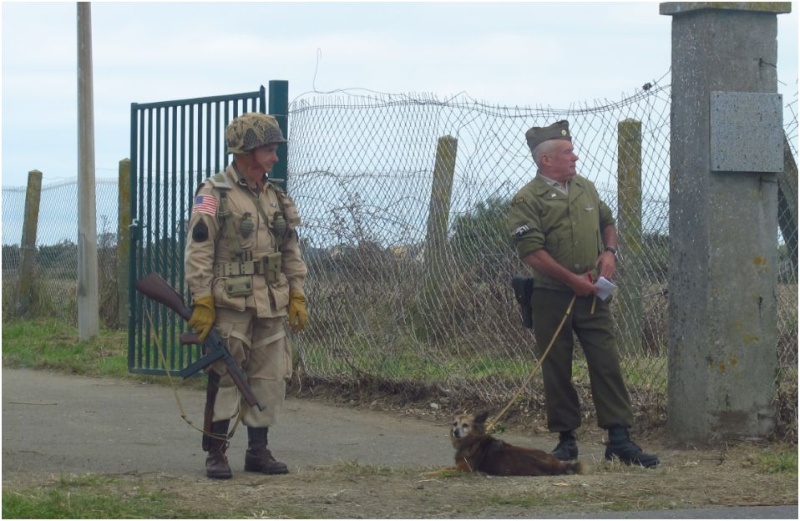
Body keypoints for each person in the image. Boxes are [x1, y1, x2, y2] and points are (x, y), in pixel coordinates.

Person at [507, 120, 659, 468]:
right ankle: (566, 441)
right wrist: (570, 280)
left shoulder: (586, 188)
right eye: (567, 152)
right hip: (550, 296)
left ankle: (619, 440)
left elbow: (608, 222)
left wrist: (609, 252)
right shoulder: (527, 199)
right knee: (556, 367)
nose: (575, 157)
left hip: (592, 295)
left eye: (572, 150)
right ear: (546, 160)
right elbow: (531, 252)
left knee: (606, 363)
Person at [184, 112, 308, 479]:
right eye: (268, 149)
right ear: (246, 151)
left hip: (271, 301)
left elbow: (291, 250)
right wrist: (202, 298)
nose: (274, 157)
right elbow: (199, 249)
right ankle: (216, 451)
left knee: (269, 376)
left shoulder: (276, 196)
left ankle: (258, 451)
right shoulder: (213, 193)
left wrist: (297, 293)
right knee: (225, 374)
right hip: (230, 303)